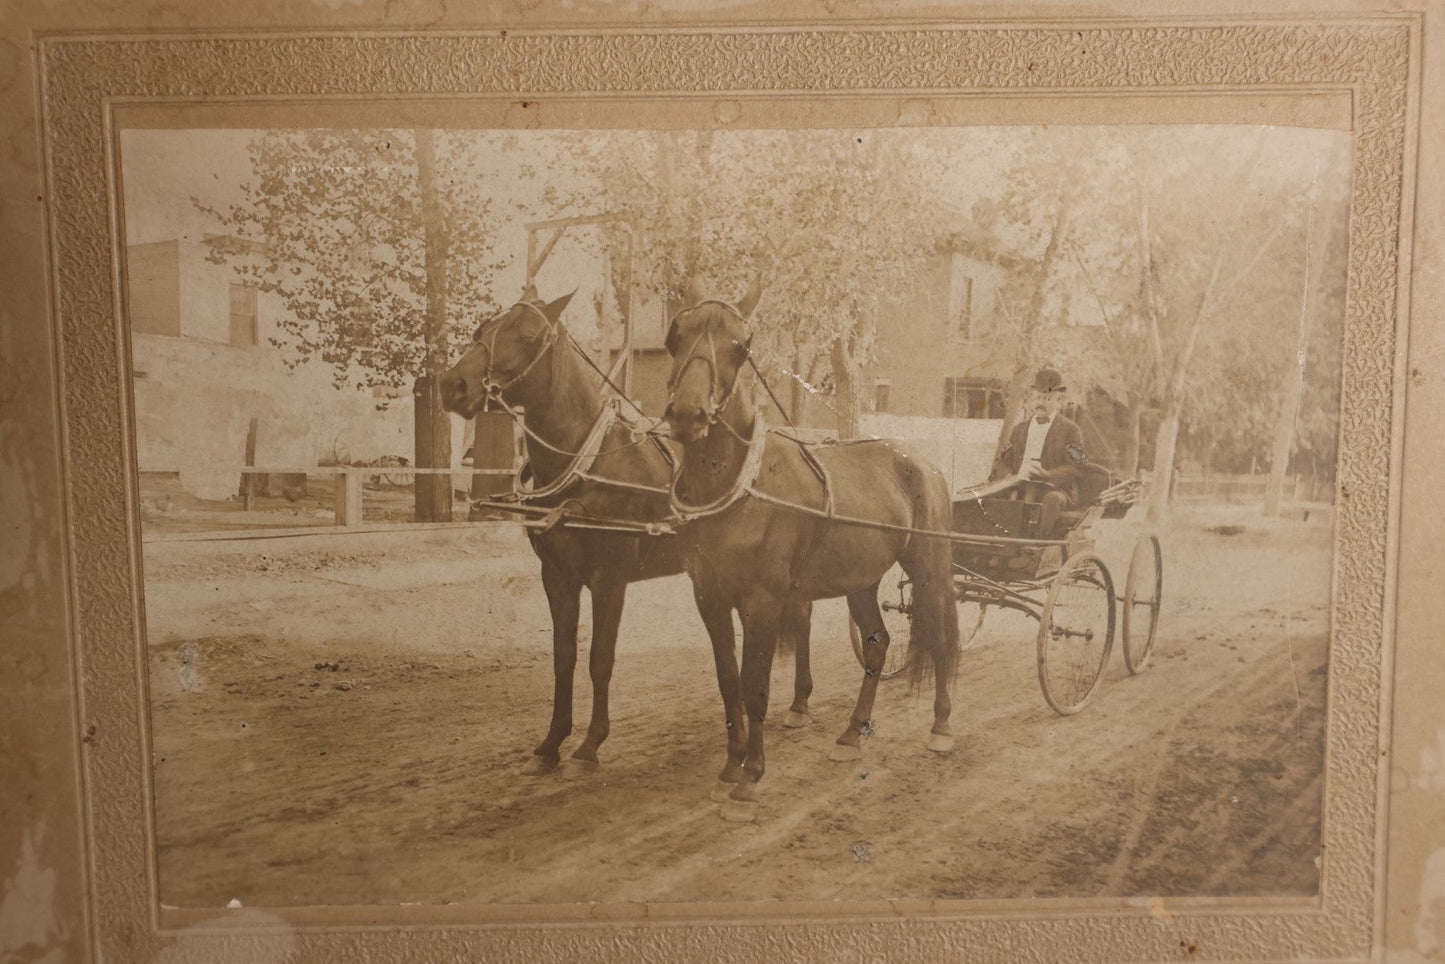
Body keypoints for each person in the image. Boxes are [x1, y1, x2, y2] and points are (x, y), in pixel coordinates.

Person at [988, 367, 1097, 537]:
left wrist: (1047, 475)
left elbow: (1079, 467)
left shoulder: (1071, 430)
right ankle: (999, 545)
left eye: (1047, 398)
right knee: (993, 497)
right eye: (1038, 397)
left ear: (1058, 401)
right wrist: (1009, 475)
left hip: (1057, 489)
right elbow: (1002, 460)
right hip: (1020, 485)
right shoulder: (1019, 429)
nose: (1041, 403)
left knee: (1051, 500)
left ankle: (1036, 548)